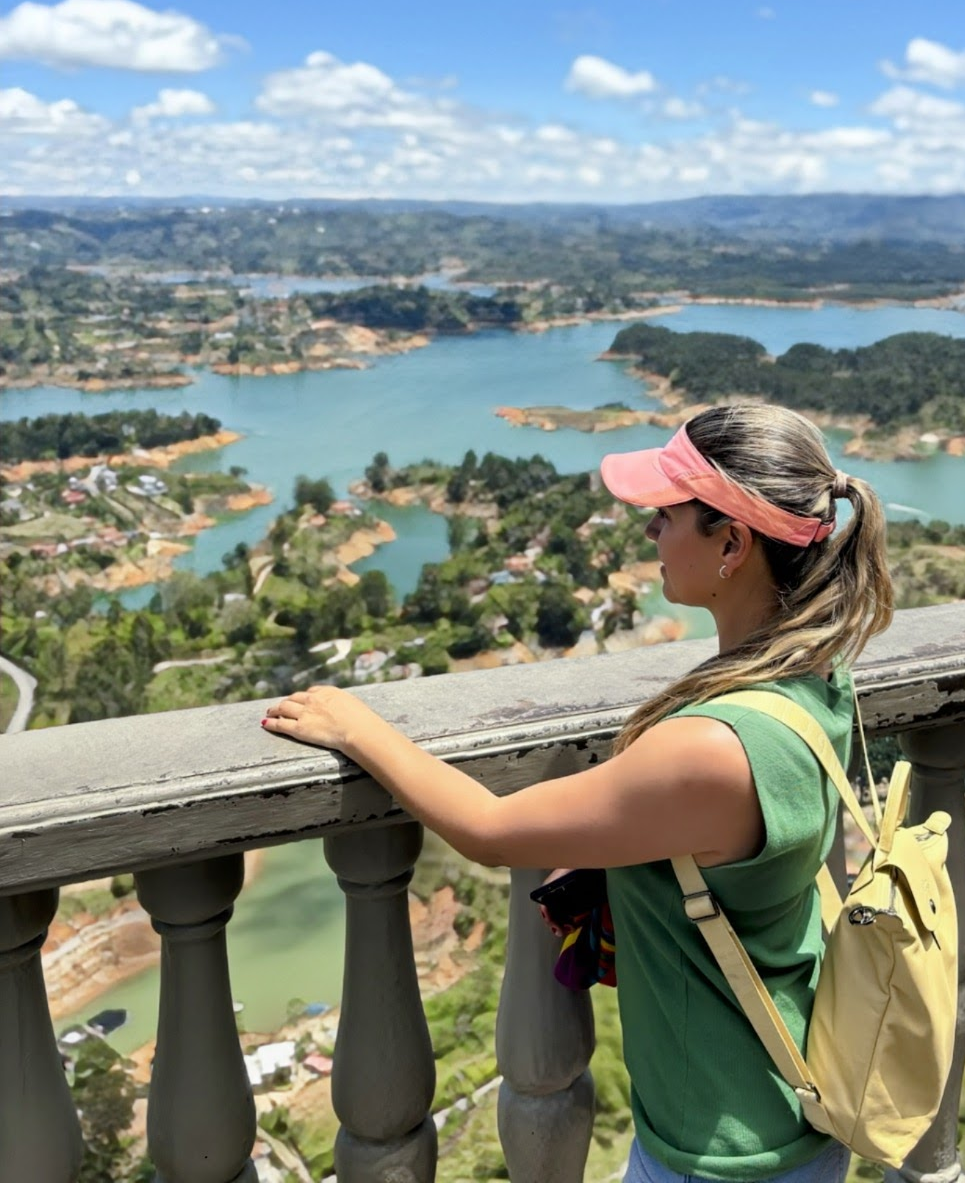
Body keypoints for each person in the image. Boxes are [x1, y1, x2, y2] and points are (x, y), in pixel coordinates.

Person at [262, 402, 893, 1182]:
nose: (650, 531)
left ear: (732, 543)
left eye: (667, 515)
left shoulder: (711, 748)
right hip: (793, 1106)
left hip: (718, 1152)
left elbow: (488, 830)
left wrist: (357, 727)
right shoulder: (818, 675)